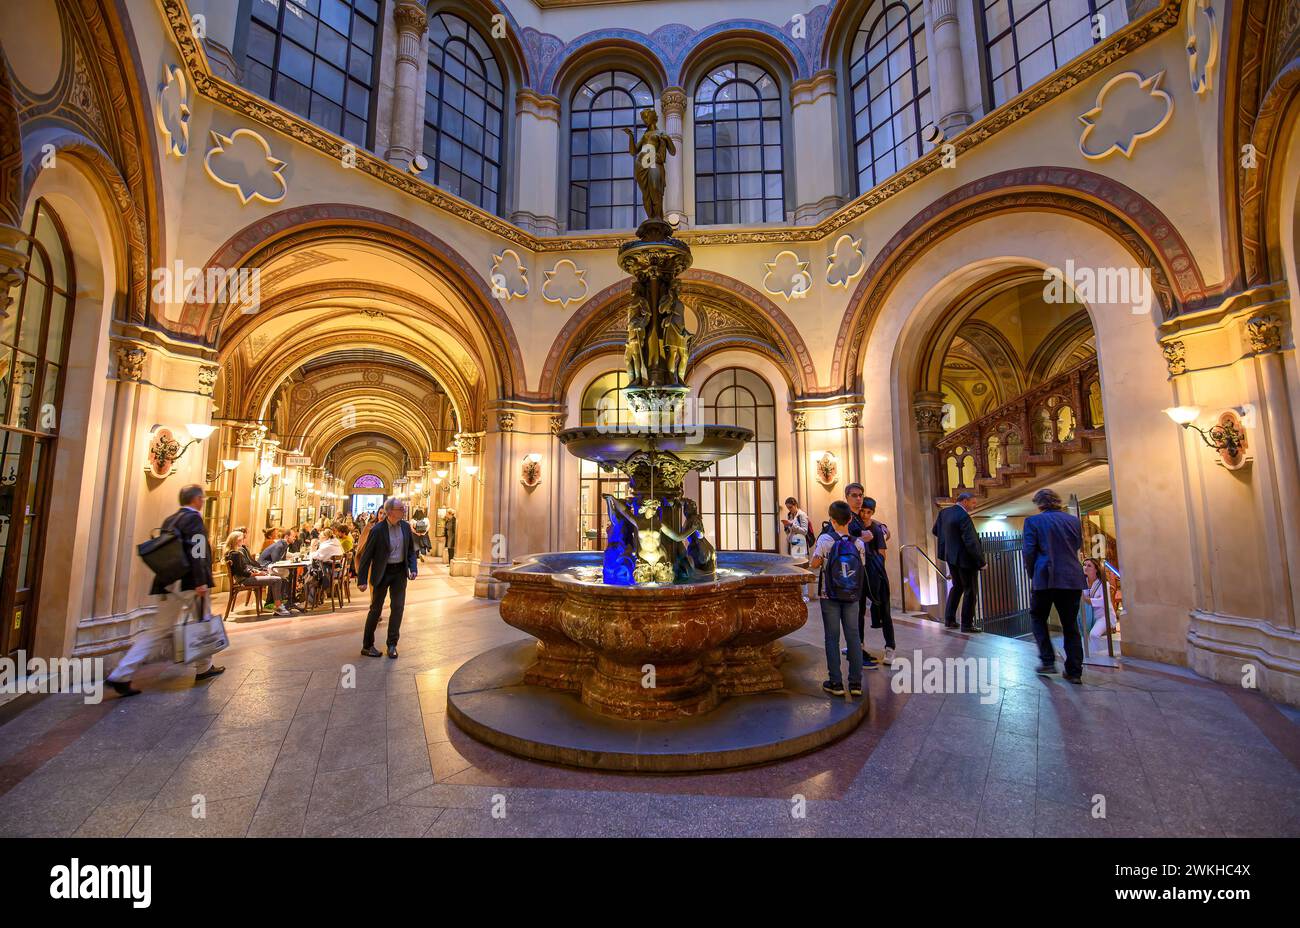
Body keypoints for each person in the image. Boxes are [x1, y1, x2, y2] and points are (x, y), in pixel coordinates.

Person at [107, 485, 224, 696]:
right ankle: (204, 668)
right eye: (202, 498)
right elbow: (198, 551)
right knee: (203, 622)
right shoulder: (194, 519)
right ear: (197, 499)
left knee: (159, 629)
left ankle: (121, 673)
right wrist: (200, 582)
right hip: (190, 583)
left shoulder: (170, 520)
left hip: (168, 582)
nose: (203, 501)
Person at [1024, 489, 1086, 683]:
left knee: (1037, 617)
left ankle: (1048, 661)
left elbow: (1029, 551)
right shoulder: (1073, 521)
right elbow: (1076, 545)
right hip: (1071, 577)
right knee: (1070, 624)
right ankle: (1074, 671)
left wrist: (1033, 574)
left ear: (1040, 504)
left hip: (1045, 577)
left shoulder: (1033, 522)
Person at [810, 500, 867, 698]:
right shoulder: (858, 543)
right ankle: (856, 683)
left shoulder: (825, 540)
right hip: (852, 595)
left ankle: (836, 682)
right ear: (850, 519)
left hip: (829, 594)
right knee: (853, 637)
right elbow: (861, 567)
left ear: (832, 520)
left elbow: (815, 563)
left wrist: (821, 560)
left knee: (832, 638)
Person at [355, 497, 419, 659]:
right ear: (390, 511)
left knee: (398, 608)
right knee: (375, 609)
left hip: (399, 573)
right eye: (400, 509)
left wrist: (413, 567)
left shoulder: (405, 527)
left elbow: (410, 550)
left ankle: (392, 644)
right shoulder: (377, 530)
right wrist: (362, 579)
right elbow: (366, 556)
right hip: (382, 573)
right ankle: (367, 645)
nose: (403, 511)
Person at [932, 492, 985, 632]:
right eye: (973, 502)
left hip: (950, 557)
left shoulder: (944, 513)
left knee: (957, 587)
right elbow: (971, 542)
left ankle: (949, 619)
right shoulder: (963, 516)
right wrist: (981, 562)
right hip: (965, 559)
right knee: (970, 590)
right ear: (965, 501)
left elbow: (935, 530)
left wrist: (952, 542)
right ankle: (967, 624)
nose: (975, 505)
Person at [859, 496, 897, 665]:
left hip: (876, 574)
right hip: (861, 574)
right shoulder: (856, 527)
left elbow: (882, 553)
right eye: (863, 511)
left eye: (869, 512)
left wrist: (877, 569)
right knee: (858, 612)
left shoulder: (876, 529)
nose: (865, 515)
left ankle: (890, 647)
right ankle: (858, 645)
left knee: (885, 612)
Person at [224, 530, 292, 617]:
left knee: (274, 577)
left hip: (245, 578)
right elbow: (242, 572)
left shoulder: (232, 553)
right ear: (236, 541)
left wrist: (257, 571)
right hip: (245, 580)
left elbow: (244, 568)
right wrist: (257, 574)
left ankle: (274, 604)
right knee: (277, 579)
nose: (243, 541)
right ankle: (278, 606)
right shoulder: (235, 554)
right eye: (241, 539)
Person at [1083, 558, 1116, 639]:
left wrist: (1086, 599)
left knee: (1093, 635)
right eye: (1084, 565)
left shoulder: (1103, 584)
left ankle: (1096, 651)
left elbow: (1103, 602)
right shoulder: (1083, 582)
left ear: (1096, 569)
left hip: (1103, 616)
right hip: (1089, 616)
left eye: (1089, 565)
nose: (1085, 567)